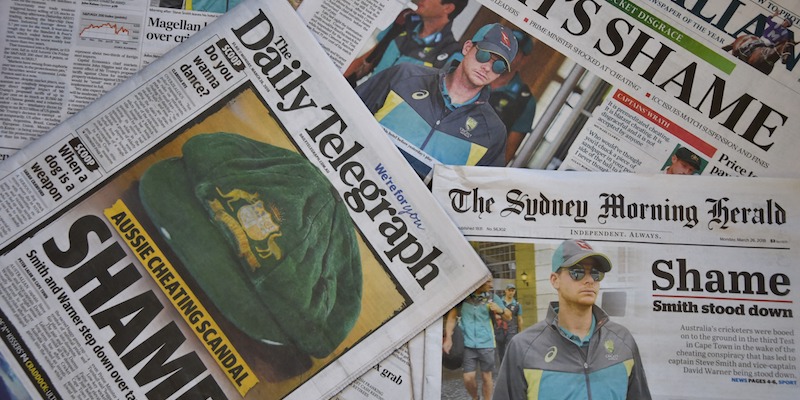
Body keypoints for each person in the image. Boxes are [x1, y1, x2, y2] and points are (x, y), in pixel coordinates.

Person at [356, 23, 518, 179]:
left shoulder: (494, 132)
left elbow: (476, 194)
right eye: (484, 55)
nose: (488, 68)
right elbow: (346, 111)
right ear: (467, 48)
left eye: (498, 66)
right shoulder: (404, 76)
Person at [493, 239, 651, 399]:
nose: (589, 280)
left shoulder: (623, 340)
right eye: (577, 272)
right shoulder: (523, 348)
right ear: (555, 280)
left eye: (596, 273)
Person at [345, 0, 468, 85]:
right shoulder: (404, 20)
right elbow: (369, 60)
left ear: (447, 8)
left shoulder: (450, 53)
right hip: (362, 96)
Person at [444, 278, 511, 400]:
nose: (491, 285)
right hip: (468, 344)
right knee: (468, 378)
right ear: (479, 281)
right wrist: (448, 337)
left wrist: (500, 310)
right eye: (488, 282)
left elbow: (508, 316)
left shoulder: (492, 298)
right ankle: (475, 397)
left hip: (487, 343)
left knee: (487, 377)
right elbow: (452, 318)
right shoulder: (463, 298)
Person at [487, 30, 538, 163]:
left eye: (514, 50)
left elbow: (507, 153)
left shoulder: (525, 101)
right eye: (503, 46)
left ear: (524, 60)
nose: (505, 53)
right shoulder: (473, 72)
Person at [493, 283, 522, 364]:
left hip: (512, 329)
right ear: (506, 291)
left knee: (510, 349)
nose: (511, 292)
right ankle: (503, 366)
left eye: (513, 291)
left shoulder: (517, 305)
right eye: (509, 290)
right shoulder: (499, 302)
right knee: (500, 350)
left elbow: (520, 319)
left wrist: (520, 331)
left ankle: (510, 365)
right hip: (500, 329)